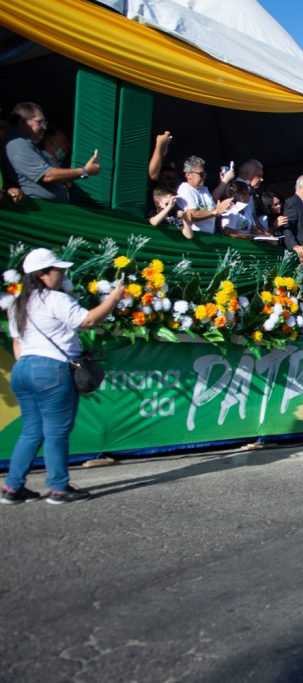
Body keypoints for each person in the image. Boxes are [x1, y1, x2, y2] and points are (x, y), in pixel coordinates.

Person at [1, 248, 125, 505]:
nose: (62, 273)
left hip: (23, 368)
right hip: (52, 369)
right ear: (43, 274)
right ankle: (58, 488)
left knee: (32, 430)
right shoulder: (56, 300)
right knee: (57, 430)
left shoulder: (17, 303)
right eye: (58, 269)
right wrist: (113, 299)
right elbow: (89, 320)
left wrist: (31, 364)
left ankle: (13, 488)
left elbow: (17, 342)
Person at [3, 102, 101, 202]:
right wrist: (84, 171)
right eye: (40, 122)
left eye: (45, 123)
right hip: (38, 211)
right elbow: (47, 176)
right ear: (23, 122)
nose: (45, 127)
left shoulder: (28, 144)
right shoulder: (18, 144)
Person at [175, 156, 233, 234]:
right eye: (201, 174)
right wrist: (215, 212)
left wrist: (225, 181)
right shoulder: (185, 189)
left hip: (208, 235)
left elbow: (213, 199)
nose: (204, 177)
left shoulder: (203, 189)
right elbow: (192, 215)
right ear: (188, 175)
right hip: (195, 236)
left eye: (205, 174)